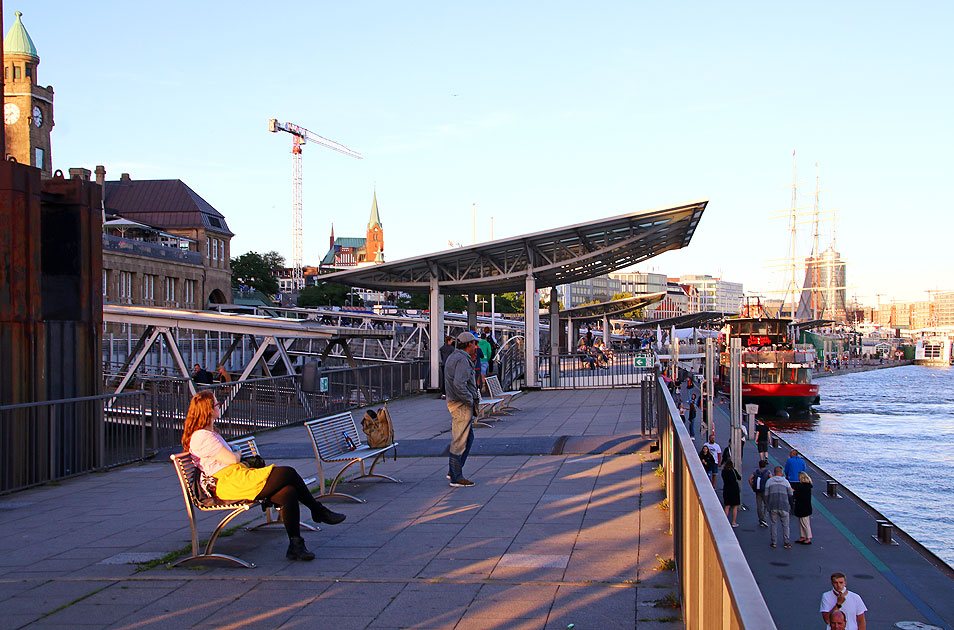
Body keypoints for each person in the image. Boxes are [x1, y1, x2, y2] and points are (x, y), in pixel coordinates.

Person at [182, 390, 345, 561]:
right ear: (207, 410)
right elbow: (231, 458)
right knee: (288, 472)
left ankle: (296, 545)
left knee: (288, 492)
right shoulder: (201, 436)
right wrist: (236, 455)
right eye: (216, 404)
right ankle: (318, 510)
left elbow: (230, 458)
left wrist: (236, 456)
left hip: (236, 477)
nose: (219, 405)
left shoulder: (211, 433)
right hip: (228, 483)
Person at [444, 331, 480, 487]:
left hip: (456, 402)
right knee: (460, 440)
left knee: (467, 438)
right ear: (469, 344)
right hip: (461, 405)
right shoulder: (462, 360)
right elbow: (460, 384)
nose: (476, 346)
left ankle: (454, 471)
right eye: (474, 343)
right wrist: (469, 399)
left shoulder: (455, 357)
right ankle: (456, 477)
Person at [764, 465, 793, 548]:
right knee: (786, 525)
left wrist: (768, 503)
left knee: (773, 524)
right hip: (784, 506)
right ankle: (786, 542)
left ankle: (774, 542)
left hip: (773, 506)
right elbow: (790, 494)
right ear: (781, 473)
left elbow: (766, 495)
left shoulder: (769, 481)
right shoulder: (786, 482)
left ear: (774, 473)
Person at [793, 470, 814, 544]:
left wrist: (794, 492)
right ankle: (803, 536)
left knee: (804, 523)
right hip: (805, 507)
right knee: (802, 522)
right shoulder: (807, 486)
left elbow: (801, 496)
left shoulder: (803, 487)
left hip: (803, 507)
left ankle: (808, 537)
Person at [749, 459, 771, 527]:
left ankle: (760, 519)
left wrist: (752, 487)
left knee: (759, 506)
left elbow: (750, 479)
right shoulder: (767, 472)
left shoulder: (756, 472)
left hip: (757, 491)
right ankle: (764, 519)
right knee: (766, 505)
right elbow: (771, 479)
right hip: (765, 491)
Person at [721, 458, 742, 527]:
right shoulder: (733, 471)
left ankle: (724, 522)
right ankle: (733, 522)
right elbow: (739, 478)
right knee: (735, 506)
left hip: (726, 489)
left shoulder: (723, 472)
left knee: (727, 506)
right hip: (734, 490)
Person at [438, 335, 456, 399]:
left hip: (443, 364)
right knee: (450, 379)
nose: (451, 341)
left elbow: (442, 357)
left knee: (444, 379)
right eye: (451, 340)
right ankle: (450, 392)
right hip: (450, 365)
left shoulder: (442, 348)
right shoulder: (452, 348)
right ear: (449, 341)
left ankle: (443, 393)